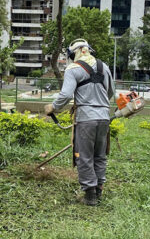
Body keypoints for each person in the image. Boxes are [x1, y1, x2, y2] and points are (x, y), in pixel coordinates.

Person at [44, 39, 114, 206]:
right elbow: (110, 91)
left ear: (72, 53)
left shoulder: (72, 69)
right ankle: (98, 190)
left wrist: (52, 107)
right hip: (104, 117)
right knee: (100, 155)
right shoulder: (104, 67)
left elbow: (66, 94)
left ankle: (90, 196)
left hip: (86, 119)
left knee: (84, 156)